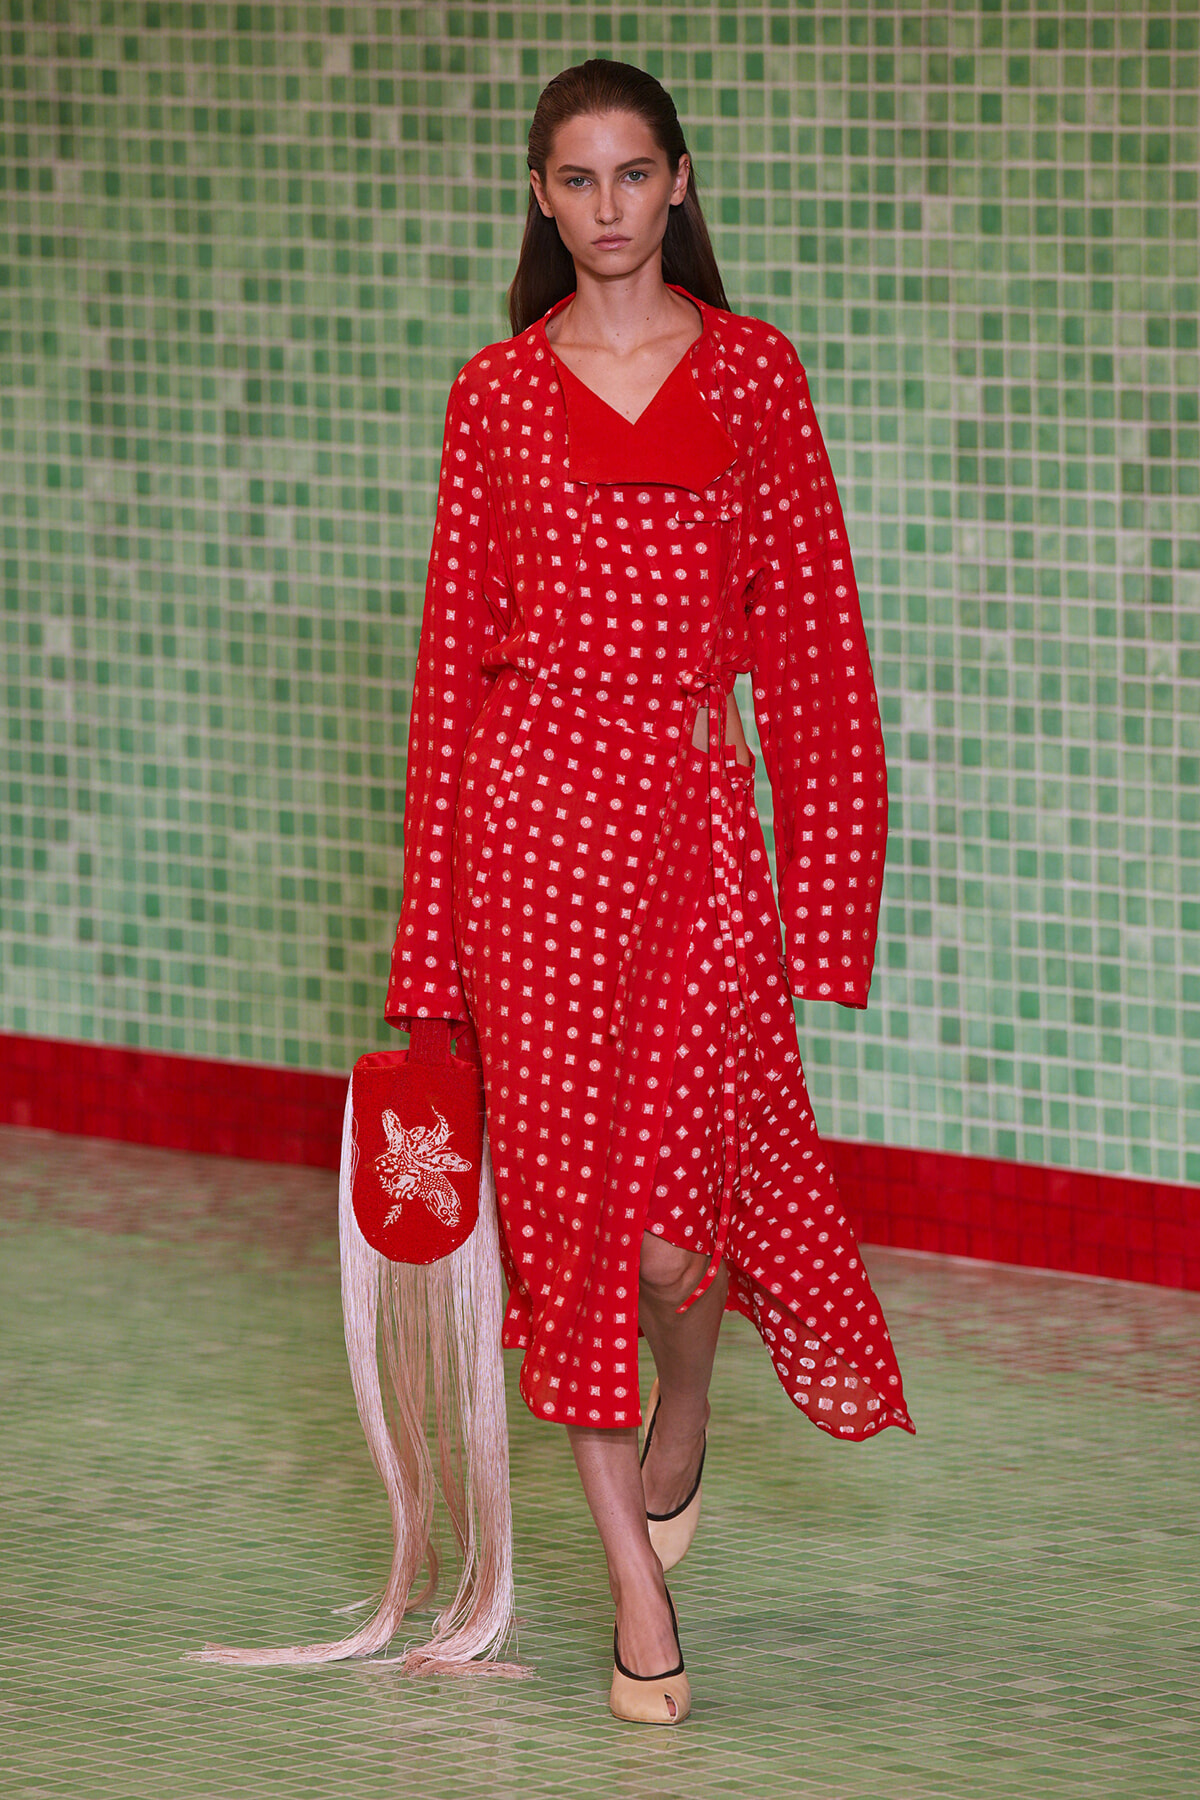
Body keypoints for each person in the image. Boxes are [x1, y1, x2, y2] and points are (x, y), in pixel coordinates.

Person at [386, 58, 915, 1725]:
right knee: (574, 1244)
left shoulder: (756, 375)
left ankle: (690, 1406)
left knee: (683, 1239)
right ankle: (632, 1589)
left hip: (692, 838)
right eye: (573, 178)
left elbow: (819, 644)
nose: (604, 204)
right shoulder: (496, 394)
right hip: (528, 837)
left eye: (632, 174)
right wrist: (428, 956)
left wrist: (827, 895)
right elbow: (448, 672)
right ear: (541, 200)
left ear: (677, 183)